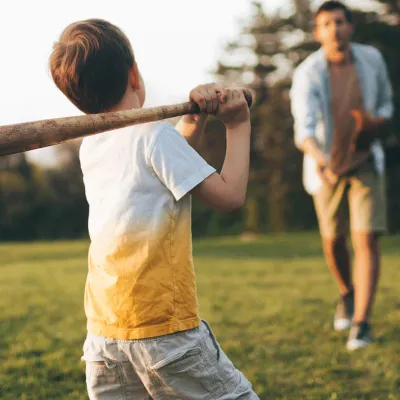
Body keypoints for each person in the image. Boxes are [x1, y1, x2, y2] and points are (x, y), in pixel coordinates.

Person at [49, 18, 259, 399]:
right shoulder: (155, 136)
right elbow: (229, 198)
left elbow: (160, 172)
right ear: (134, 74)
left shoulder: (92, 146)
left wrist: (193, 119)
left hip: (105, 336)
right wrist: (238, 124)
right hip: (165, 330)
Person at [290, 1, 394, 351]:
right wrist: (319, 159)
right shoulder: (307, 72)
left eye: (339, 22)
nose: (334, 29)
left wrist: (375, 122)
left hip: (366, 162)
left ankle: (362, 322)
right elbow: (303, 126)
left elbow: (386, 107)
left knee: (366, 239)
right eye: (326, 24)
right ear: (317, 33)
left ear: (350, 27)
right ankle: (346, 293)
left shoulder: (372, 60)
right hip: (327, 167)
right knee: (334, 240)